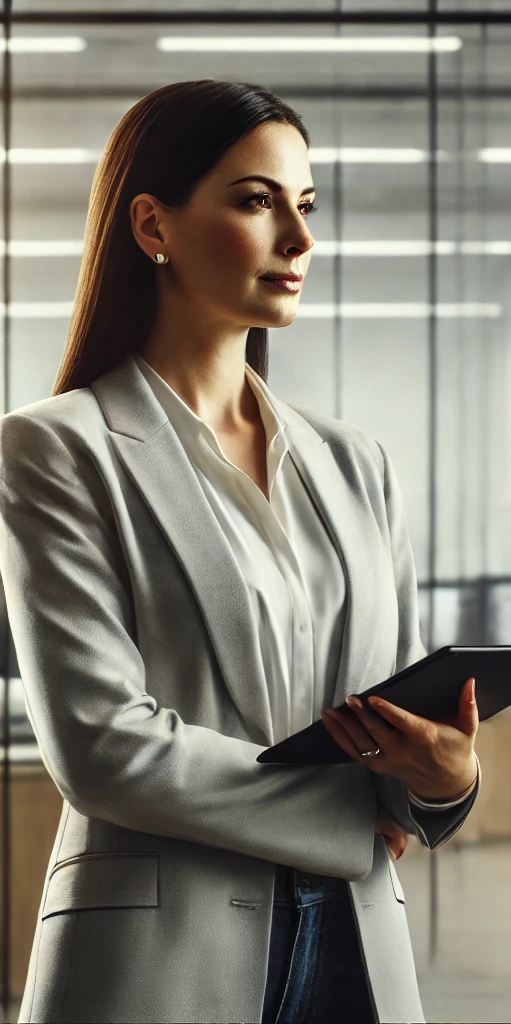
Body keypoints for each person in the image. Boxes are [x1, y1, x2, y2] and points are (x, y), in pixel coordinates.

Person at [0, 79, 480, 1024]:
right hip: (157, 958)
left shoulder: (357, 462)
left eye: (306, 206)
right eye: (258, 202)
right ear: (154, 226)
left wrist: (447, 780)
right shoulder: (55, 448)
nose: (299, 240)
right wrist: (351, 812)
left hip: (358, 944)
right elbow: (103, 747)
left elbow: (399, 714)